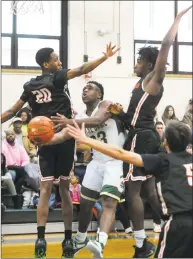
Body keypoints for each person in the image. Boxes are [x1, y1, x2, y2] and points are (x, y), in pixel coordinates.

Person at [1, 42, 119, 258]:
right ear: (46, 64)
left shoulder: (29, 86)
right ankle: (67, 238)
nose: (60, 62)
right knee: (64, 189)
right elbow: (82, 69)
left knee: (45, 190)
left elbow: (11, 111)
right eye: (56, 59)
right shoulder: (57, 76)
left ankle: (40, 238)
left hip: (44, 141)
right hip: (63, 138)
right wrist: (104, 57)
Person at [107, 6, 192, 258]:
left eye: (138, 61)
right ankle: (163, 223)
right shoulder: (139, 84)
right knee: (148, 190)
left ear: (148, 64)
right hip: (144, 134)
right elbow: (135, 116)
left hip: (141, 137)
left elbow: (165, 46)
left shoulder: (154, 79)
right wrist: (119, 113)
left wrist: (176, 20)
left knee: (133, 190)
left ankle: (142, 244)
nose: (135, 64)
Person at [67, 120, 193, 258]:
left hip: (178, 223)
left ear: (165, 142)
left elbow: (120, 153)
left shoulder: (163, 160)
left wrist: (86, 140)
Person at [45, 81, 126, 257]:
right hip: (96, 162)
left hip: (115, 160)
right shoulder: (80, 116)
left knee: (109, 202)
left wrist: (68, 120)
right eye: (83, 89)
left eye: (90, 88)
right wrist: (43, 140)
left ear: (99, 95)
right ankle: (80, 239)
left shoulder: (106, 105)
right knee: (86, 203)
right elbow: (64, 135)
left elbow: (97, 120)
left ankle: (101, 242)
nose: (85, 91)